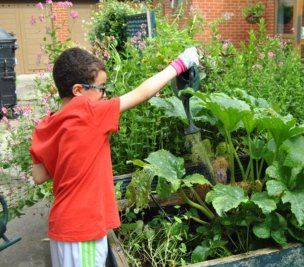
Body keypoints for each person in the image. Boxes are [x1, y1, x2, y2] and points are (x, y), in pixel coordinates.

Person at [29, 46, 199, 267]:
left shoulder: (47, 124)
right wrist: (180, 64)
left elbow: (39, 175)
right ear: (79, 90)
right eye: (100, 88)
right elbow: (143, 93)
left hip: (62, 228)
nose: (105, 94)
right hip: (84, 230)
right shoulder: (88, 114)